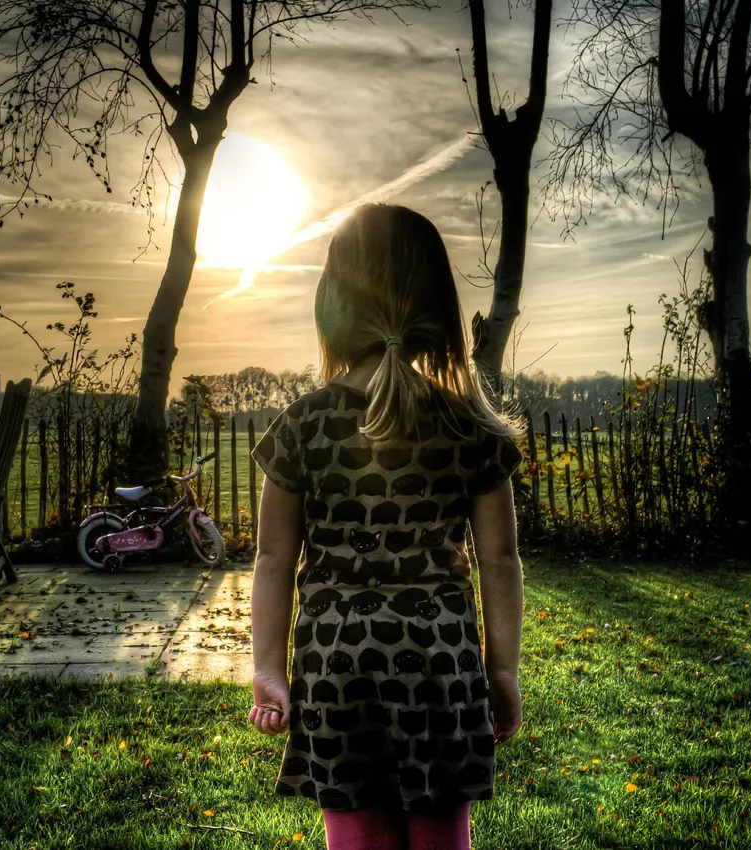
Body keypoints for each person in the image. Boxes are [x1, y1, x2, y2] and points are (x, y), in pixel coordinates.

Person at [247, 203, 526, 850]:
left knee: (359, 837)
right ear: (436, 302)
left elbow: (272, 558)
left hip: (335, 667)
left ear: (334, 302)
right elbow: (500, 561)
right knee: (439, 837)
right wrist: (503, 670)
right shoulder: (470, 428)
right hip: (441, 667)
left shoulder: (303, 424)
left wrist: (267, 666)